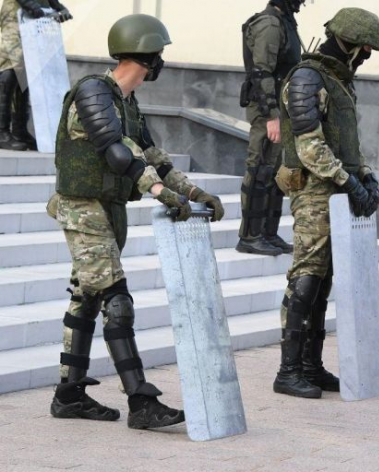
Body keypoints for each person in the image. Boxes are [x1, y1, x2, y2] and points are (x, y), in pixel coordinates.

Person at [47, 14, 224, 430]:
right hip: (82, 208)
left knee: (86, 297)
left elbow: (152, 156)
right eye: (158, 53)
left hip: (108, 208)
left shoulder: (126, 103)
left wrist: (194, 194)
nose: (160, 61)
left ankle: (68, 395)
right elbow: (120, 153)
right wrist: (163, 195)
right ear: (146, 55)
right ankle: (141, 403)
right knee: (116, 298)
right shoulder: (93, 94)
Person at [272, 7, 379, 398]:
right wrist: (348, 181)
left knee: (323, 281)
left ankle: (310, 365)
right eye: (365, 49)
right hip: (315, 193)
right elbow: (310, 147)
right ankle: (288, 371)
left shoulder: (337, 81)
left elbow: (344, 143)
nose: (366, 56)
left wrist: (364, 176)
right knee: (306, 276)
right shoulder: (307, 78)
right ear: (349, 43)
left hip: (336, 191)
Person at [236, 0, 307, 256]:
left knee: (276, 172)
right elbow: (261, 73)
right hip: (268, 110)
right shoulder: (269, 23)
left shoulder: (284, 21)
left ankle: (268, 233)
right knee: (260, 169)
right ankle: (250, 236)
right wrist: (271, 116)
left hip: (281, 108)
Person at [0, 0, 73, 150]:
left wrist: (58, 8)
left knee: (27, 70)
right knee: (11, 67)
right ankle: (1, 132)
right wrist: (29, 4)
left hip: (34, 13)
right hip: (15, 12)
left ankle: (19, 132)